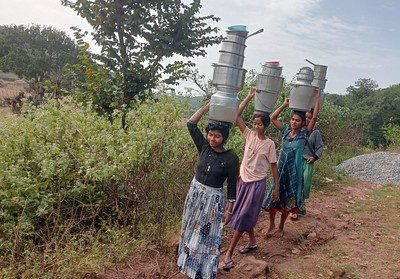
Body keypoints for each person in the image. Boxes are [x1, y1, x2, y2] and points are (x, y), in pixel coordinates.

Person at [177, 102, 239, 279]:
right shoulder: (204, 147)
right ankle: (187, 265)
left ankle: (203, 271)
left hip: (213, 201)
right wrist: (207, 107)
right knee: (190, 229)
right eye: (210, 135)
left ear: (224, 138)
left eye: (217, 136)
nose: (212, 139)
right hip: (195, 194)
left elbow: (232, 185)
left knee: (207, 236)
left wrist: (229, 210)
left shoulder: (231, 158)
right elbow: (191, 124)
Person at [223, 87, 279, 271]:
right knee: (245, 214)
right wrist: (249, 96)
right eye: (254, 124)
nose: (256, 127)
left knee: (242, 216)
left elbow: (273, 166)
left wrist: (276, 187)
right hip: (242, 181)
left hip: (256, 184)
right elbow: (237, 114)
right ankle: (253, 241)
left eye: (260, 125)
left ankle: (229, 253)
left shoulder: (269, 144)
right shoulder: (248, 134)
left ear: (266, 126)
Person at [262, 88, 321, 237]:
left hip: (294, 172)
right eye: (292, 119)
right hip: (281, 169)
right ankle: (271, 225)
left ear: (302, 123)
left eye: (297, 120)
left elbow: (314, 117)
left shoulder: (304, 134)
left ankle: (281, 227)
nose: (294, 122)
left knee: (288, 200)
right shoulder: (286, 131)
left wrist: (317, 96)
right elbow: (273, 117)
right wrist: (284, 104)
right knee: (274, 197)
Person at [290, 109, 324, 219]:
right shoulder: (299, 131)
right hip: (296, 161)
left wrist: (314, 157)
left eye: (310, 117)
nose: (308, 119)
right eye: (306, 117)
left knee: (303, 185)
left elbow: (320, 147)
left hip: (308, 162)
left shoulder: (315, 133)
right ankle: (293, 209)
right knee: (295, 184)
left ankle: (299, 207)